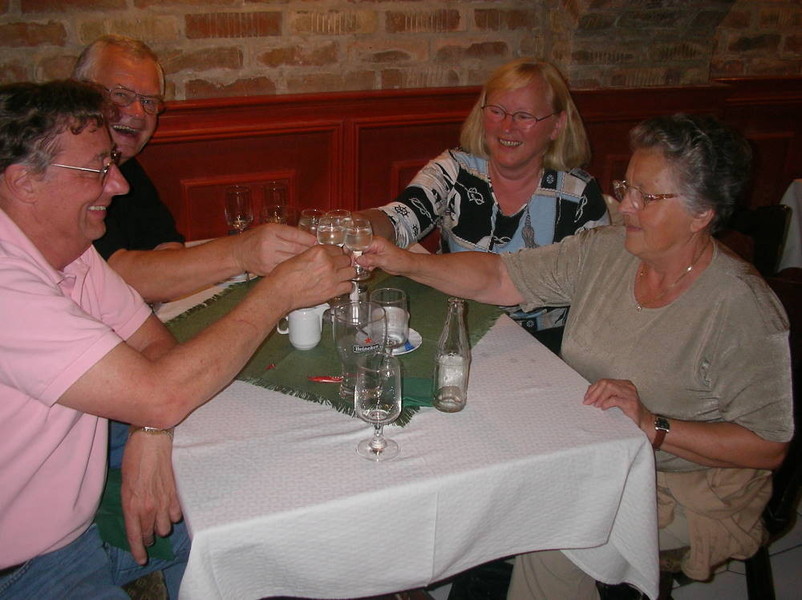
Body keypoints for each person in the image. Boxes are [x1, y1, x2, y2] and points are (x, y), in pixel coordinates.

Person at [358, 113, 793, 599]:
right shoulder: (608, 251)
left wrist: (653, 425)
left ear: (702, 213)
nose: (625, 206)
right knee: (479, 462)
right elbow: (500, 277)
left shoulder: (740, 308)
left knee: (555, 529)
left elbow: (767, 445)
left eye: (647, 197)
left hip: (686, 489)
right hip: (591, 448)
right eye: (627, 187)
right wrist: (404, 261)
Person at [0, 80, 352, 599]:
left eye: (112, 163)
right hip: (25, 567)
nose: (119, 184)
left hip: (72, 516)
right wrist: (278, 293)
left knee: (264, 514)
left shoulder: (71, 250)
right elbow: (162, 392)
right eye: (97, 168)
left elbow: (154, 345)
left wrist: (151, 429)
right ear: (25, 182)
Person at [359, 58, 610, 355]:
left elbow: (598, 294)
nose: (507, 127)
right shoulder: (455, 169)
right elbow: (401, 216)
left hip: (545, 347)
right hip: (454, 325)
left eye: (524, 116)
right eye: (497, 111)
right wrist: (357, 226)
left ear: (557, 125)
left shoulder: (578, 195)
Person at [72, 34, 315, 305]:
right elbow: (111, 276)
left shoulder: (128, 167)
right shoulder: (65, 176)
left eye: (149, 102)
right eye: (121, 95)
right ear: (82, 95)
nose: (138, 112)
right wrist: (240, 252)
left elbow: (167, 246)